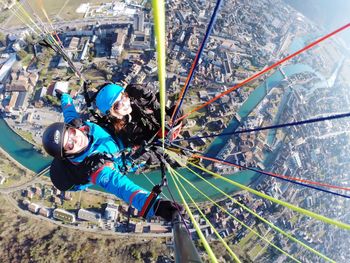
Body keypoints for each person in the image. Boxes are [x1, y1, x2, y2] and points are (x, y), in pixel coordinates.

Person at [42, 91, 181, 221]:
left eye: (71, 133)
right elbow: (123, 188)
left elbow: (69, 111)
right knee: (156, 148)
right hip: (126, 156)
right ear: (67, 155)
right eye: (70, 145)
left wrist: (65, 97)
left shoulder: (78, 126)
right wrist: (156, 206)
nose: (76, 139)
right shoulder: (97, 169)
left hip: (116, 139)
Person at [94, 83, 183, 165]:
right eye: (117, 105)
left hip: (160, 124)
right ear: (111, 113)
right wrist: (161, 138)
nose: (124, 104)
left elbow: (154, 106)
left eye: (123, 97)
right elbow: (145, 154)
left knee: (177, 110)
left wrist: (153, 103)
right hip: (156, 142)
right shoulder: (122, 132)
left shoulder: (136, 98)